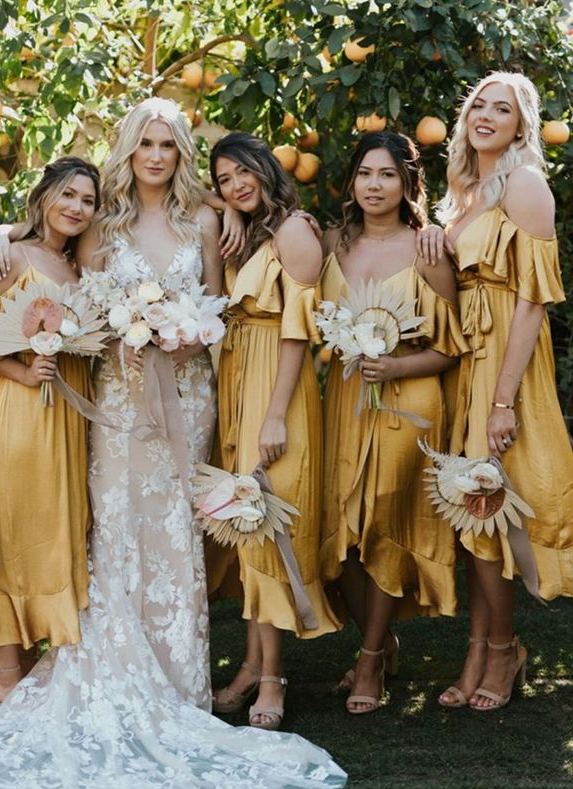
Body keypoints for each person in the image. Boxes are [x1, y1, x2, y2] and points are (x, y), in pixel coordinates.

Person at [0, 100, 347, 789]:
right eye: (146, 143)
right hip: (118, 401)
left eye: (169, 144)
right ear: (129, 149)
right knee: (114, 532)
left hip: (187, 397)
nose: (157, 155)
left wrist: (183, 328)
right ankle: (100, 670)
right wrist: (11, 242)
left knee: (174, 539)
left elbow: (220, 308)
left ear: (181, 151)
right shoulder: (102, 223)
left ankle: (179, 688)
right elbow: (71, 290)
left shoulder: (206, 220)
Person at [418, 71, 573, 709]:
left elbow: (535, 300)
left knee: (500, 498)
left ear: (520, 125)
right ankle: (481, 649)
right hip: (468, 359)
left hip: (509, 359)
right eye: (478, 104)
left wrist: (504, 400)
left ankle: (504, 649)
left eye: (501, 109)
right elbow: (455, 298)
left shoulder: (527, 184)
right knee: (472, 507)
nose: (485, 115)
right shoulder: (463, 192)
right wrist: (434, 259)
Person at [320, 132, 465, 713]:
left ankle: (371, 660)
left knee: (384, 520)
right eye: (364, 174)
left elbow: (452, 347)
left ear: (408, 183)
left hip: (409, 402)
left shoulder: (426, 249)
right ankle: (379, 640)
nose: (374, 185)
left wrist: (398, 362)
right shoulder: (331, 243)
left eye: (386, 175)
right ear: (351, 183)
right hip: (345, 401)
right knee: (341, 531)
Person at [0, 157, 100, 701]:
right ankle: (4, 668)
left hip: (71, 415)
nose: (76, 208)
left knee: (58, 529)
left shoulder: (80, 269)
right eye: (67, 195)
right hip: (21, 412)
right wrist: (22, 368)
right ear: (44, 196)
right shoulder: (9, 256)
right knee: (13, 532)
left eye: (87, 201)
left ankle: (43, 658)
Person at [209, 132, 337, 731]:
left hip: (275, 382)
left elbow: (297, 332)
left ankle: (273, 679)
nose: (235, 185)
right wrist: (230, 209)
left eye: (242, 173)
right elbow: (184, 193)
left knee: (267, 519)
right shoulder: (250, 231)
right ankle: (251, 666)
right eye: (223, 180)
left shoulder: (293, 231)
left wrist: (276, 412)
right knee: (244, 522)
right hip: (238, 374)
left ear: (266, 167)